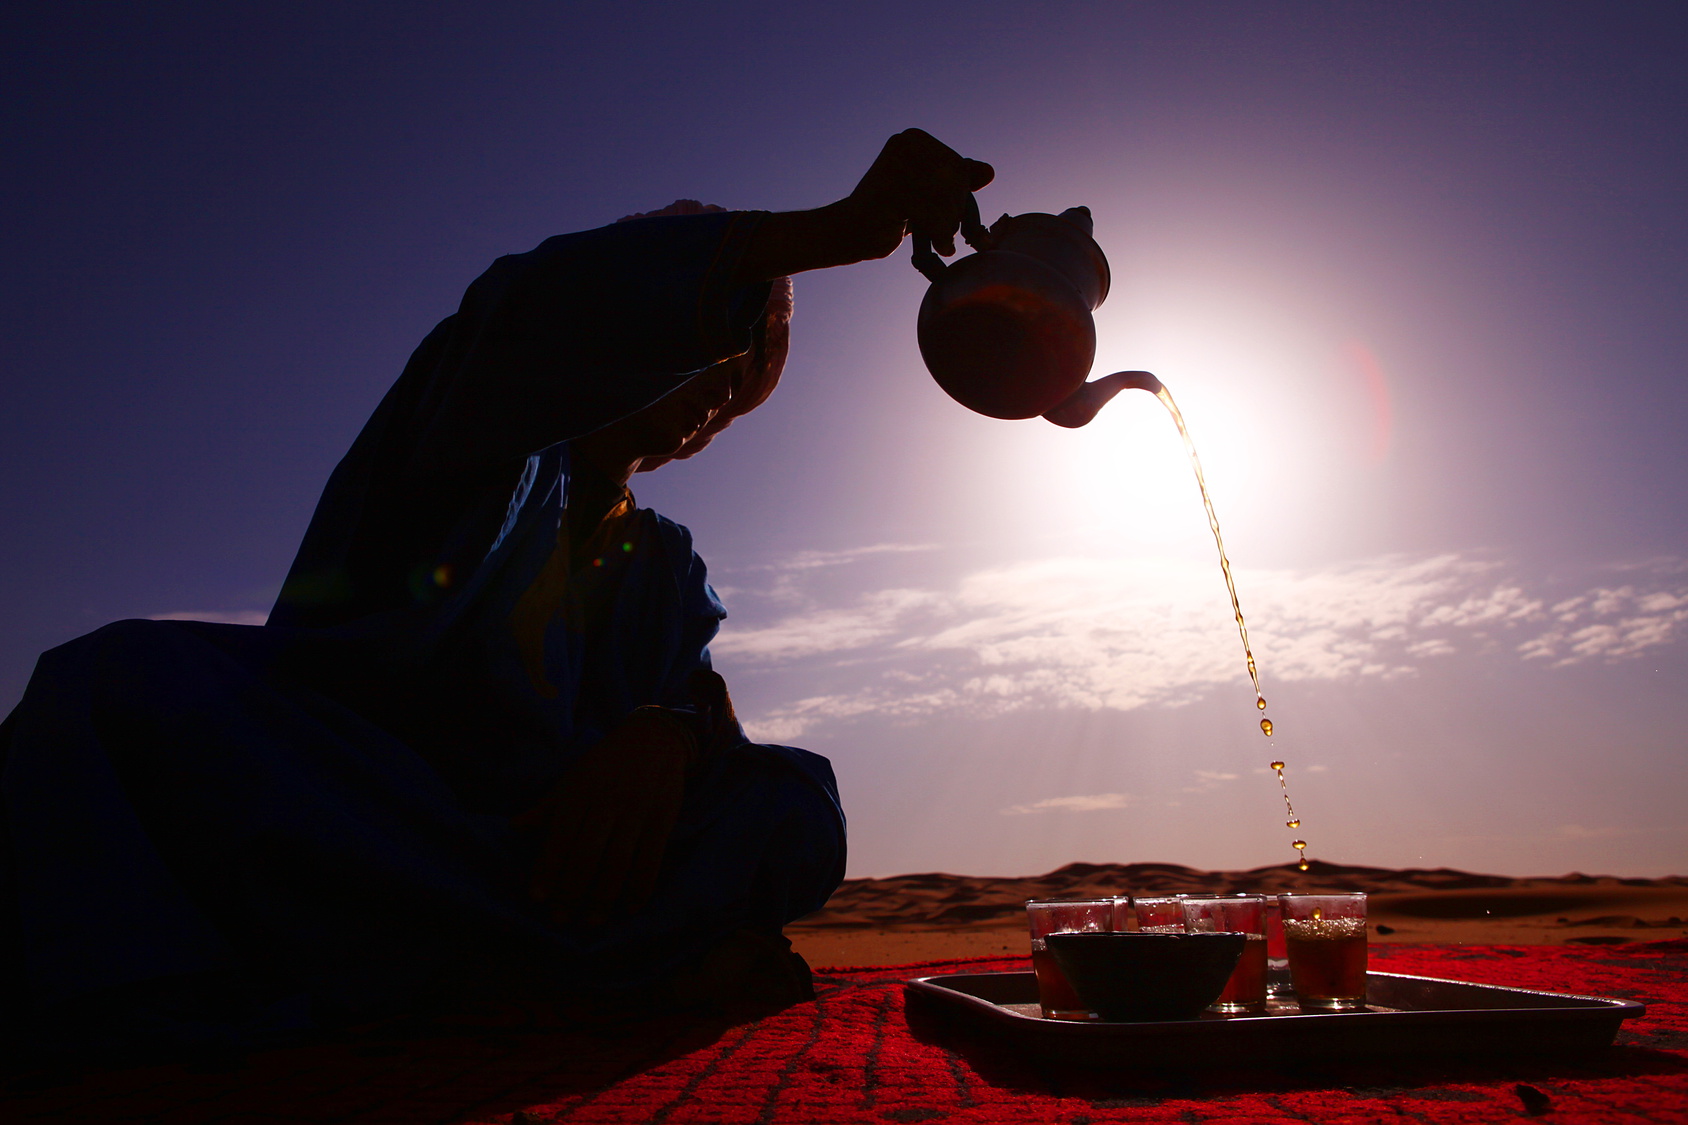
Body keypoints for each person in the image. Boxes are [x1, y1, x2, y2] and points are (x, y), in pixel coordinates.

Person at [0, 130, 994, 1061]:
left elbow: (697, 720)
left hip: (536, 863)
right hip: (350, 808)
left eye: (743, 379)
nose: (718, 394)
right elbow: (521, 322)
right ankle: (546, 968)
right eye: (711, 351)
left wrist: (667, 735)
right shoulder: (480, 443)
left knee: (791, 797)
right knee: (120, 683)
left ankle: (477, 967)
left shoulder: (663, 566)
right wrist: (821, 237)